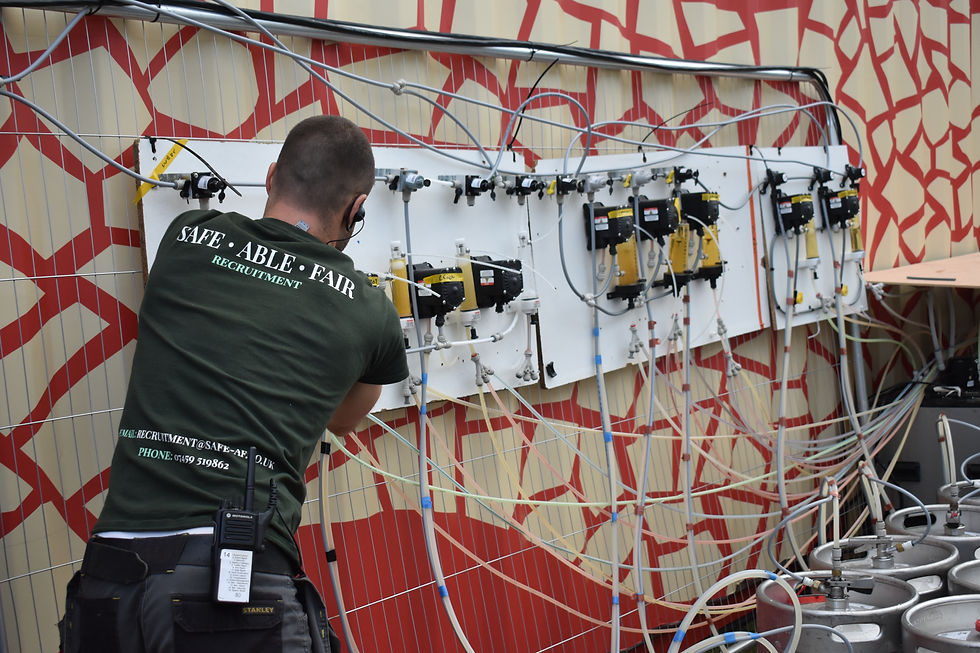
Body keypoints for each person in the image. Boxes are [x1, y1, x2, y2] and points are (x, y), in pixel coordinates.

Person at [59, 115, 409, 652]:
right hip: (231, 592)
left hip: (110, 582)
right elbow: (341, 416)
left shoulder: (183, 238)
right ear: (356, 209)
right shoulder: (369, 312)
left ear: (271, 176)